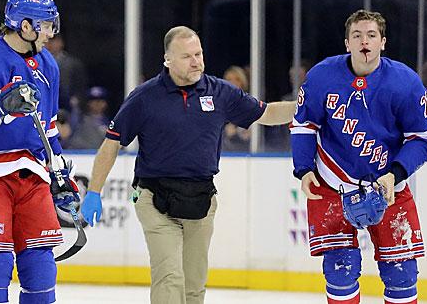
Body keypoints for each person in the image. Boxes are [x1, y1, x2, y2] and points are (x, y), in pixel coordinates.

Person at [80, 26, 296, 304]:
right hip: (154, 199)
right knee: (170, 277)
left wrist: (305, 105)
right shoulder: (145, 97)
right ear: (167, 59)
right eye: (186, 56)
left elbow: (266, 113)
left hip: (201, 200)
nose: (196, 61)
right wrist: (95, 191)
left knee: (193, 287)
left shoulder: (219, 92)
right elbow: (111, 144)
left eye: (199, 54)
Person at [290, 10, 427, 304]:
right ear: (347, 43)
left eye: (371, 35)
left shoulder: (404, 82)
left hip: (389, 189)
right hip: (332, 185)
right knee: (339, 270)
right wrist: (304, 168)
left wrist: (394, 174)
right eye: (357, 36)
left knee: (402, 274)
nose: (364, 42)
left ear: (383, 42)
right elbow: (303, 124)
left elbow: (426, 137)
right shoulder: (322, 76)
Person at [0, 0, 79, 304]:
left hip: (32, 171)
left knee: (40, 264)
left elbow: (49, 130)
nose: (52, 32)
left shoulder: (48, 66)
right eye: (47, 25)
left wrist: (60, 173)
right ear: (25, 26)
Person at [222, 65, 252, 151]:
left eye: (237, 79)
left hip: (244, 151)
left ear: (243, 82)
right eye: (229, 79)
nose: (233, 82)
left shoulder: (250, 105)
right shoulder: (217, 104)